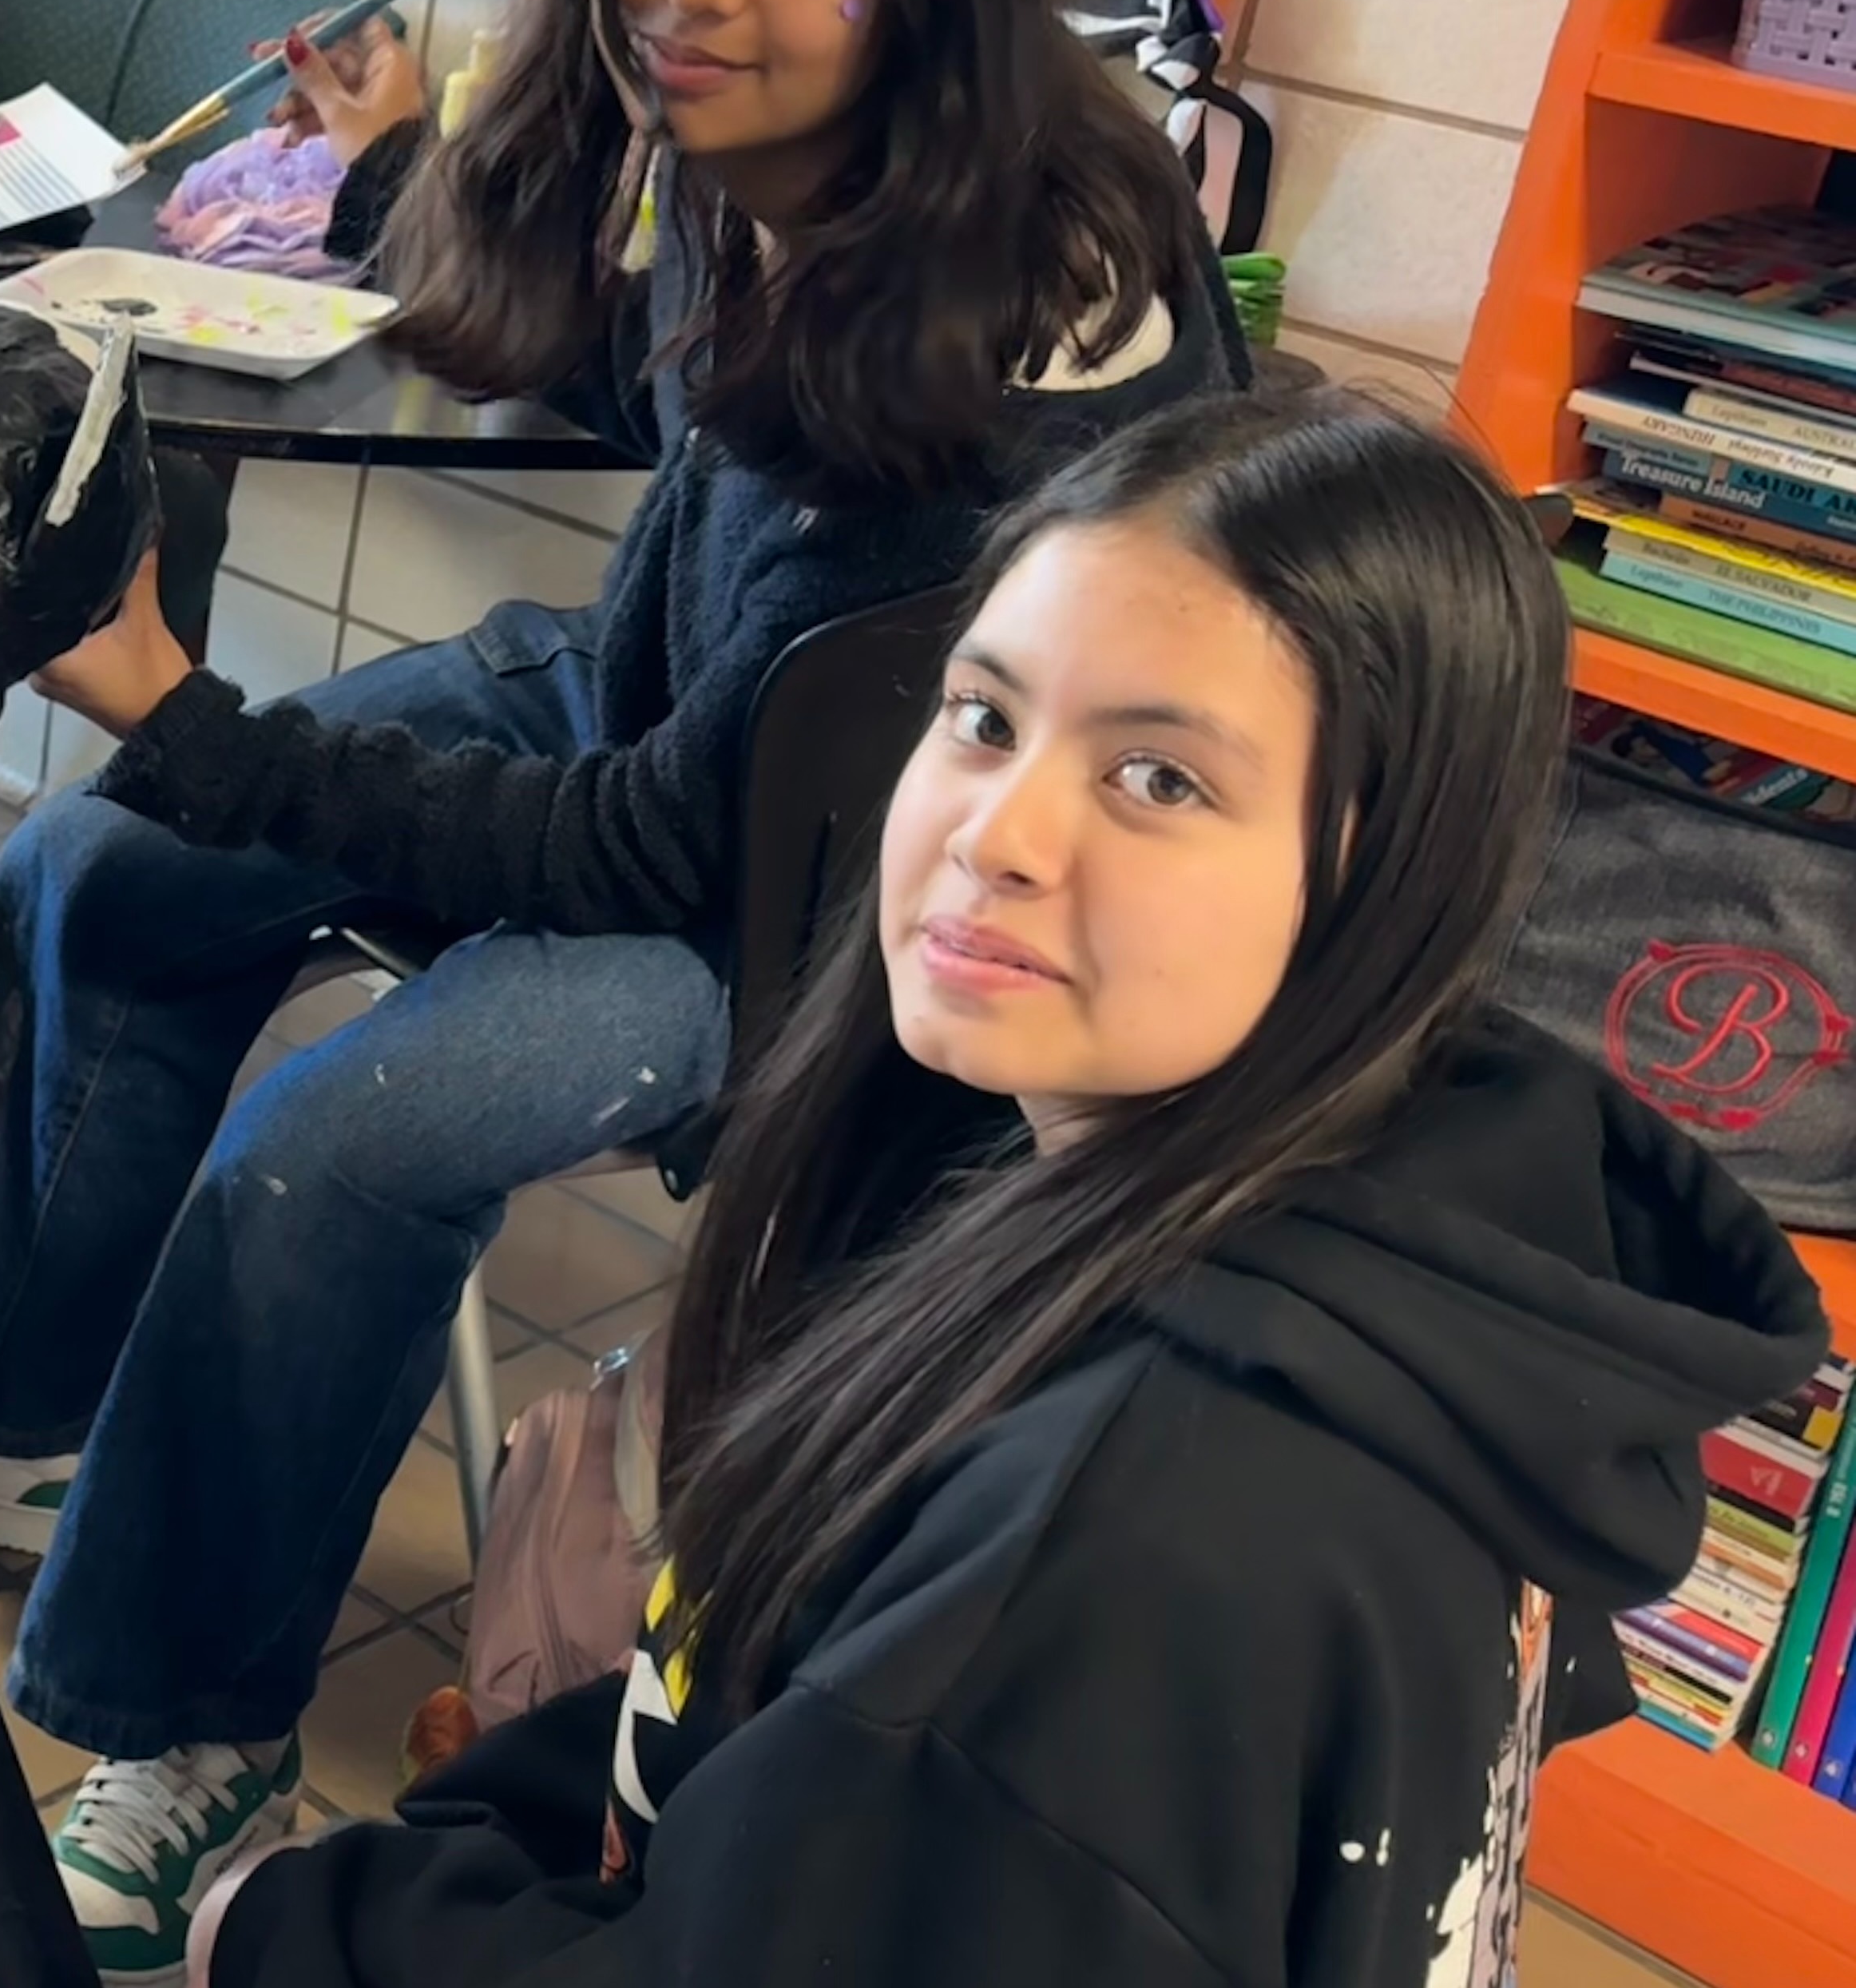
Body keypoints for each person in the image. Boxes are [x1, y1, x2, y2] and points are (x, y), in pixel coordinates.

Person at [0, 0, 1253, 1972]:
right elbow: (616, 414)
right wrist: (384, 176)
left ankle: (186, 1711)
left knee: (345, 1126)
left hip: (829, 920)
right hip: (684, 712)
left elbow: (661, 846)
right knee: (109, 865)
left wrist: (196, 712)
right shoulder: (764, 128)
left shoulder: (1023, 327)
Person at [181, 390, 1832, 1986]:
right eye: (984, 717)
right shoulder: (1355, 1212)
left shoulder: (1125, 1551)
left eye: (1160, 779)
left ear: (1380, 877)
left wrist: (279, 1933)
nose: (999, 831)